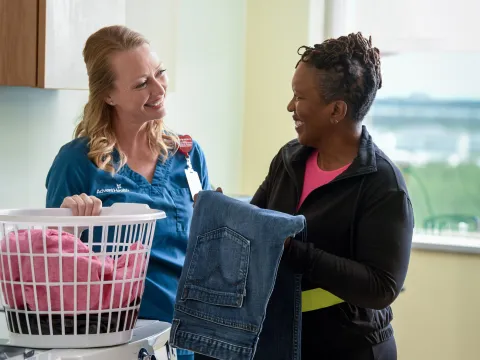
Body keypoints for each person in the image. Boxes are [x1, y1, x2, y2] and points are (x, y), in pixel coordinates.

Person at [45, 25, 210, 360]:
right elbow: (49, 265)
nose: (158, 88)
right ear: (108, 95)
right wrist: (67, 223)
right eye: (140, 84)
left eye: (159, 73)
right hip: (116, 343)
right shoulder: (77, 162)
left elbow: (205, 250)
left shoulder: (188, 155)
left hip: (189, 338)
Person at [250, 33, 414, 359]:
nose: (289, 107)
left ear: (336, 109)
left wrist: (293, 251)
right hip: (282, 339)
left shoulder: (383, 185)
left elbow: (382, 287)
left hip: (352, 349)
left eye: (299, 97)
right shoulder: (288, 159)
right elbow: (256, 224)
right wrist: (224, 214)